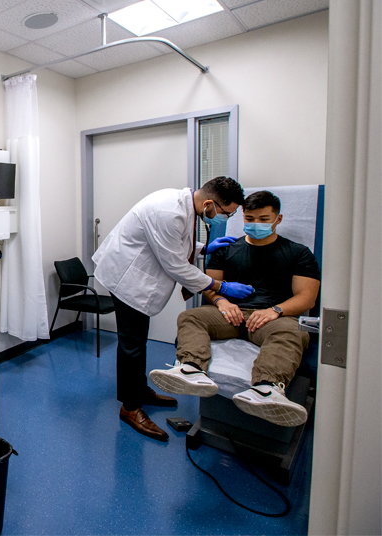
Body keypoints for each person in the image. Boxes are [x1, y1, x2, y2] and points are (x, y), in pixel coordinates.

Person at [92, 177, 255, 441]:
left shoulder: (186, 205)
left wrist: (203, 248)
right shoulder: (169, 211)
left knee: (137, 340)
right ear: (211, 204)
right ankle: (130, 408)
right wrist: (221, 287)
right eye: (227, 213)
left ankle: (139, 390)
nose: (226, 218)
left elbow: (176, 243)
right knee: (131, 344)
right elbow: (176, 265)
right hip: (126, 276)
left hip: (138, 273)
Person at [149, 190, 321, 426]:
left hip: (271, 318)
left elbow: (307, 298)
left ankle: (266, 389)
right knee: (191, 316)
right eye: (249, 219)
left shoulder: (298, 253)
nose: (255, 224)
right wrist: (222, 301)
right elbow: (209, 286)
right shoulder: (226, 249)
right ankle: (190, 369)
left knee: (294, 333)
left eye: (263, 219)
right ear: (242, 216)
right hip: (230, 315)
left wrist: (276, 311)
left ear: (277, 219)